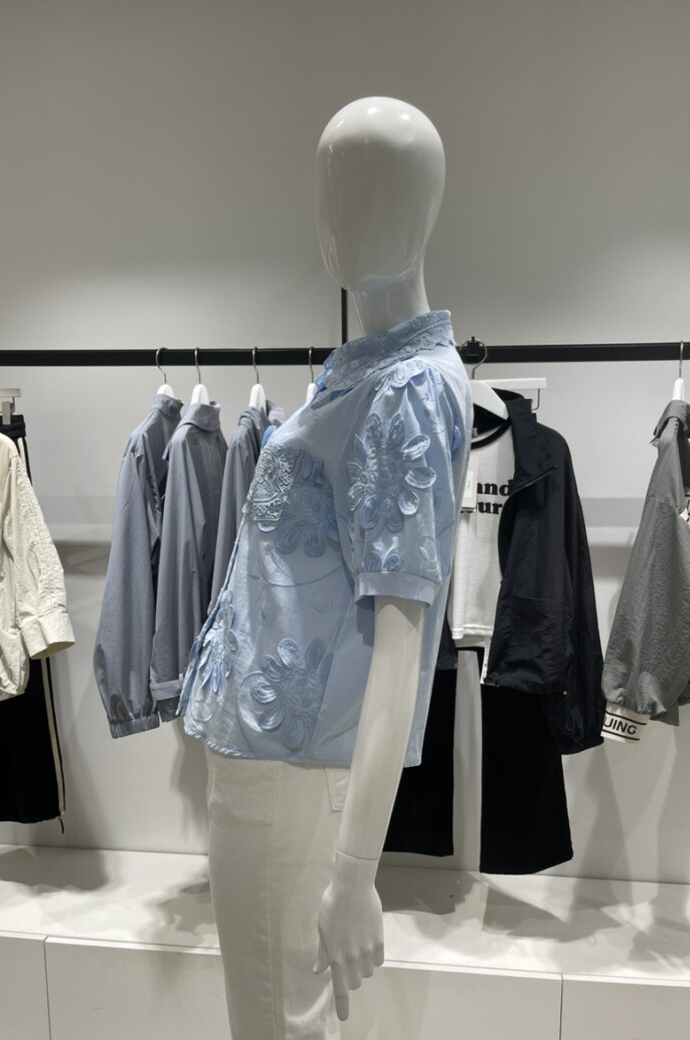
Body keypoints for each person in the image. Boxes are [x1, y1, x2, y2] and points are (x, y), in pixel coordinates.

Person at [177, 96, 470, 1039]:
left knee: (278, 1023)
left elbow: (404, 638)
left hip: (292, 775)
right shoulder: (358, 373)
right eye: (332, 191)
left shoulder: (407, 388)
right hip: (268, 760)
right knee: (284, 1019)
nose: (342, 219)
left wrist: (355, 873)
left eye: (375, 190)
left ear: (427, 209)